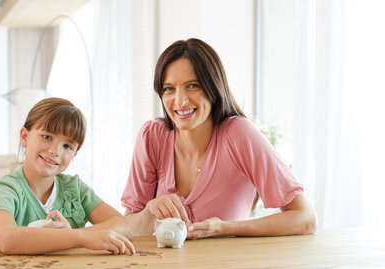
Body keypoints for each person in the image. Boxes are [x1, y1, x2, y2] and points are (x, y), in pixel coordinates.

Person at [122, 38, 316, 238]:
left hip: (227, 267)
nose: (180, 100)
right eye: (169, 88)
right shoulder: (151, 137)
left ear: (213, 88)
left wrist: (224, 228)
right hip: (163, 267)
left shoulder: (239, 134)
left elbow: (305, 218)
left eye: (193, 85)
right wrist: (149, 212)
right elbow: (129, 228)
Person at [0, 97, 134, 255]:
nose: (55, 151)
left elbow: (123, 225)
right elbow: (6, 239)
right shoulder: (5, 189)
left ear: (74, 154)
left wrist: (75, 236)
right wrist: (78, 237)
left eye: (67, 146)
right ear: (24, 136)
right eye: (47, 137)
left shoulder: (75, 188)